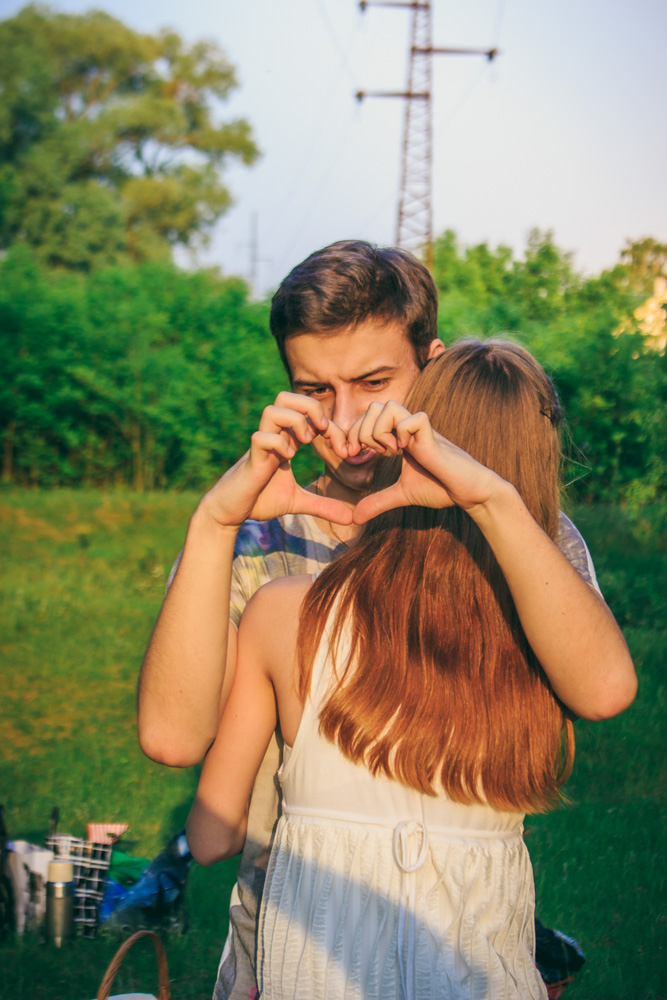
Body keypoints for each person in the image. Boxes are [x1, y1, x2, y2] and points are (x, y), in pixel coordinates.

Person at [138, 241, 629, 1000]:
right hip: (281, 950)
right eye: (313, 388)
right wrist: (212, 525)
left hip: (465, 934)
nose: (342, 422)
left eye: (372, 382)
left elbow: (599, 691)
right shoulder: (251, 535)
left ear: (429, 366)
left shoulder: (524, 528)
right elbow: (173, 739)